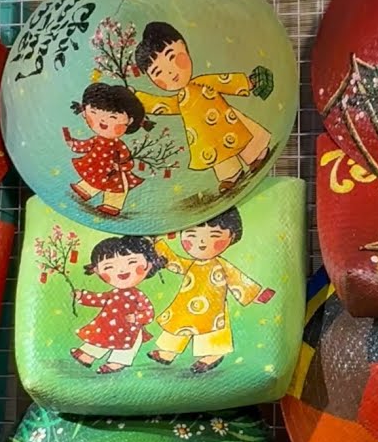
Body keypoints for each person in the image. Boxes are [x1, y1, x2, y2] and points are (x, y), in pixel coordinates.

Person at [132, 21, 275, 193]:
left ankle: (256, 155)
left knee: (242, 136)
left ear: (184, 47)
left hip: (226, 121)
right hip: (206, 136)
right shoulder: (180, 100)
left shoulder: (202, 83)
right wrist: (137, 99)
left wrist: (248, 83)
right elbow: (164, 105)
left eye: (172, 57)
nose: (170, 72)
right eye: (158, 72)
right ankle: (231, 175)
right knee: (217, 154)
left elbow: (224, 81)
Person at [146, 207, 274, 373]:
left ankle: (212, 355)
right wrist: (158, 245)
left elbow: (237, 279)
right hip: (185, 305)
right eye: (191, 235)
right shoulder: (192, 264)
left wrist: (256, 294)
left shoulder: (221, 265)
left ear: (231, 237)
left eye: (214, 236)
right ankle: (167, 353)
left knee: (212, 331)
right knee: (177, 325)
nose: (201, 242)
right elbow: (175, 263)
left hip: (213, 307)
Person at [70, 236, 164, 374]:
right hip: (108, 325)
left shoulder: (137, 295)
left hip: (130, 329)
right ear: (97, 271)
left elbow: (148, 312)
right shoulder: (113, 293)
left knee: (125, 349)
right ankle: (87, 355)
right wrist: (82, 296)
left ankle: (116, 363)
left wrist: (137, 318)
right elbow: (100, 299)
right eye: (109, 267)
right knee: (100, 338)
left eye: (132, 262)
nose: (121, 270)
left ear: (149, 265)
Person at [63, 83, 147, 216]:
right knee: (93, 177)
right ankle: (85, 190)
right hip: (96, 165)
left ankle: (112, 205)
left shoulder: (118, 145)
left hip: (113, 173)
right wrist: (72, 143)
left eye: (113, 117)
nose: (103, 121)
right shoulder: (97, 140)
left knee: (115, 189)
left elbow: (128, 161)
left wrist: (120, 167)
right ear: (85, 112)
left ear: (129, 121)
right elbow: (86, 145)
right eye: (94, 113)